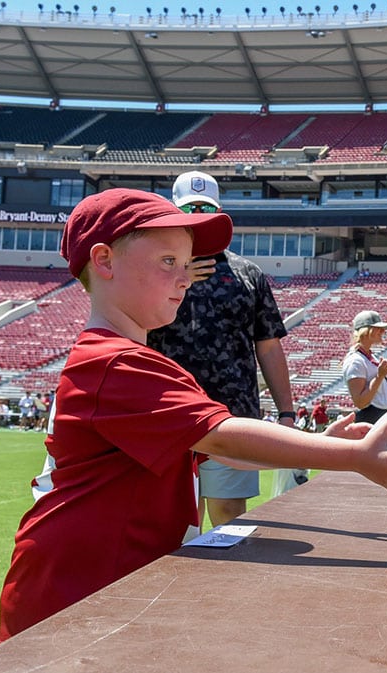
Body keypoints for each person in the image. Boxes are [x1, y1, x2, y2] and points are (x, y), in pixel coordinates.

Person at [0, 189, 387, 642]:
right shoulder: (116, 362)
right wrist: (357, 456)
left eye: (187, 265)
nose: (184, 278)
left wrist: (329, 440)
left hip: (101, 581)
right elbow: (224, 438)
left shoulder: (134, 360)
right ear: (105, 261)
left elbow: (226, 454)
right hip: (73, 590)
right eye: (168, 261)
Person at [147, 170, 305, 527]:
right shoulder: (153, 272)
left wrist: (286, 412)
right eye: (191, 208)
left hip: (232, 415)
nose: (198, 215)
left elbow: (268, 347)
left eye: (206, 207)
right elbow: (135, 329)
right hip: (168, 414)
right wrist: (178, 277)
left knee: (230, 520)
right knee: (171, 525)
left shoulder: (247, 273)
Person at [342, 310, 387, 424]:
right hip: (373, 419)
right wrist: (380, 376)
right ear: (366, 331)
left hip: (382, 416)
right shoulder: (355, 361)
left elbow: (379, 394)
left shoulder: (369, 357)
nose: (383, 331)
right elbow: (360, 402)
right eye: (378, 328)